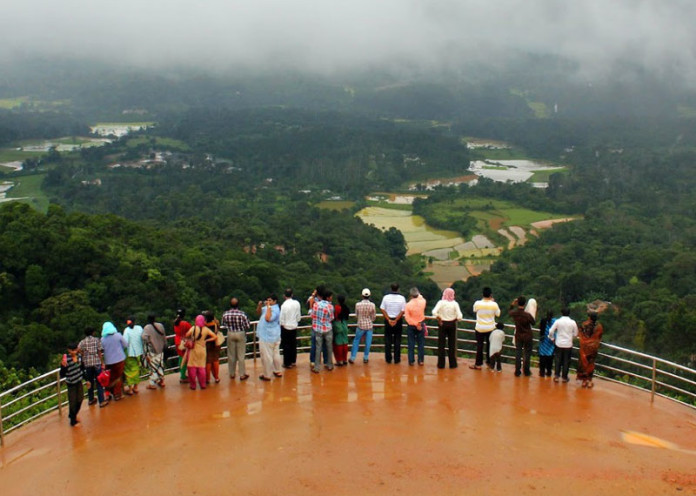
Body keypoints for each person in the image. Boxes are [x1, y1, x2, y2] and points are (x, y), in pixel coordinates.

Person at [432, 287, 463, 369]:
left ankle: (441, 364)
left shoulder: (441, 302)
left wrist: (439, 319)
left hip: (442, 324)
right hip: (452, 324)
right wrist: (455, 319)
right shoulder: (455, 304)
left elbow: (434, 312)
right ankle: (452, 364)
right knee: (452, 345)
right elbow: (460, 316)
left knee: (441, 345)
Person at [60, 342, 90, 427]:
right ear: (69, 350)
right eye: (72, 350)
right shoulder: (66, 360)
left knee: (80, 399)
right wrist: (63, 367)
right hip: (71, 384)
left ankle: (73, 415)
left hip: (79, 381)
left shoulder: (79, 358)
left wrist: (87, 380)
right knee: (73, 402)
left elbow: (82, 369)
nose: (74, 352)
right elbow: (62, 374)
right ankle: (73, 421)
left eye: (75, 350)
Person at [222, 297, 251, 381]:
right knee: (241, 355)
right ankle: (242, 374)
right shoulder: (242, 314)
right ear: (238, 305)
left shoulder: (225, 314)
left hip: (230, 333)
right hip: (240, 333)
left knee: (231, 355)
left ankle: (232, 373)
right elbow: (247, 325)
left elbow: (224, 324)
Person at [471, 287, 501, 370]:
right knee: (489, 346)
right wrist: (493, 302)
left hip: (479, 328)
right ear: (491, 295)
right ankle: (489, 363)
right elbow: (498, 314)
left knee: (479, 346)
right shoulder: (494, 304)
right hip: (490, 328)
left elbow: (474, 310)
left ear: (482, 294)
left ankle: (478, 364)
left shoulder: (477, 303)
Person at [185, 315, 217, 390]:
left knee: (192, 367)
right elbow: (215, 337)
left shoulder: (193, 328)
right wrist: (206, 340)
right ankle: (202, 384)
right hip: (202, 349)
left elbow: (187, 335)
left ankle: (193, 385)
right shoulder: (206, 329)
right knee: (201, 367)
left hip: (194, 349)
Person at [548, 308, 578, 383]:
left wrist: (552, 338)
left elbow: (551, 331)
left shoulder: (558, 321)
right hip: (568, 344)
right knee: (566, 361)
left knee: (558, 360)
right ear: (569, 313)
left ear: (562, 313)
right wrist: (571, 338)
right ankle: (564, 377)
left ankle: (556, 376)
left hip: (559, 344)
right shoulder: (573, 322)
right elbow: (576, 333)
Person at [78, 327, 106, 407]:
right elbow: (99, 352)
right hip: (96, 362)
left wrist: (83, 354)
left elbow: (78, 349)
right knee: (99, 382)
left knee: (89, 382)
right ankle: (101, 401)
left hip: (87, 364)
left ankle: (91, 399)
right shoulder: (96, 340)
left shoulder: (82, 342)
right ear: (93, 333)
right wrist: (102, 362)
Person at [256, 294, 282, 381]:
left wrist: (268, 307)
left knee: (266, 356)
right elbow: (258, 313)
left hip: (268, 336)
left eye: (270, 300)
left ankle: (267, 375)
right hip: (272, 335)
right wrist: (260, 305)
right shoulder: (268, 308)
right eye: (267, 300)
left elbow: (268, 318)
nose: (268, 302)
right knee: (275, 354)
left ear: (275, 301)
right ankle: (277, 370)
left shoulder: (275, 310)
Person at [508, 296, 536, 377]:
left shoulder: (515, 313)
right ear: (525, 304)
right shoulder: (527, 315)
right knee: (527, 353)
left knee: (518, 353)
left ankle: (517, 371)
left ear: (518, 303)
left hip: (519, 335)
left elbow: (509, 312)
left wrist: (512, 304)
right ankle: (526, 371)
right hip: (527, 335)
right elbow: (533, 322)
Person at [309, 286, 334, 373]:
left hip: (317, 329)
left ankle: (316, 367)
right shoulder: (330, 306)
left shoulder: (315, 305)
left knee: (318, 348)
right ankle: (329, 365)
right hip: (327, 329)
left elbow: (312, 315)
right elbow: (331, 318)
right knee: (329, 347)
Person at [380, 283, 406, 364]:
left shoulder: (386, 297)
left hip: (388, 320)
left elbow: (382, 309)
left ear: (391, 289)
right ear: (398, 289)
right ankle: (397, 359)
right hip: (398, 321)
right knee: (397, 340)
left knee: (388, 340)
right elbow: (403, 310)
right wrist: (396, 320)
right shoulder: (402, 298)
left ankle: (388, 359)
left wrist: (388, 319)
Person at [101, 321, 127, 401]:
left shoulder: (102, 339)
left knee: (110, 377)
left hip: (108, 361)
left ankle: (108, 393)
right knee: (118, 377)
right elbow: (126, 344)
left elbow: (101, 350)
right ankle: (117, 394)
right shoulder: (118, 336)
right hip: (120, 359)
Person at [577, 312, 604, 388]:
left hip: (584, 348)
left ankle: (584, 381)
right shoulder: (599, 327)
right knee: (591, 364)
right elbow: (599, 336)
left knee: (584, 363)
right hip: (593, 348)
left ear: (589, 317)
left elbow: (580, 333)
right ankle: (589, 380)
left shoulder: (584, 324)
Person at [350, 288, 376, 364]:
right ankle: (365, 357)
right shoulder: (372, 305)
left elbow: (356, 315)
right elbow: (374, 317)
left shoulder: (358, 305)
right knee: (368, 343)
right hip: (369, 326)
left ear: (362, 295)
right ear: (369, 295)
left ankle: (352, 357)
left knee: (356, 341)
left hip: (360, 326)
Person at [279, 288, 301, 369]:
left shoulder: (283, 305)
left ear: (284, 296)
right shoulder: (297, 303)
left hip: (286, 327)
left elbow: (281, 318)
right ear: (292, 295)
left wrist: (282, 325)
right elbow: (298, 316)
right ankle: (293, 361)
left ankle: (287, 363)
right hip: (294, 326)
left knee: (286, 345)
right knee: (293, 344)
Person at [404, 287, 426, 366]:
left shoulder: (408, 305)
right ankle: (420, 360)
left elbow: (407, 317)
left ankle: (411, 360)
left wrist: (415, 324)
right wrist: (418, 324)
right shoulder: (423, 302)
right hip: (421, 324)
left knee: (411, 343)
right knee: (421, 344)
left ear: (410, 295)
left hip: (411, 326)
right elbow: (421, 297)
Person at [123, 317, 144, 395]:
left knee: (129, 371)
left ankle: (130, 389)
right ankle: (136, 387)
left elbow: (125, 343)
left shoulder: (126, 330)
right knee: (137, 370)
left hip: (130, 353)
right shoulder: (139, 328)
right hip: (139, 352)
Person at [173, 309, 192, 383]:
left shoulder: (175, 322)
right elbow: (191, 331)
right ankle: (183, 376)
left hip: (178, 342)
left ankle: (182, 374)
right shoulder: (185, 323)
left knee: (181, 357)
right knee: (185, 358)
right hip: (184, 342)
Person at [203, 310, 222, 384]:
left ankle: (207, 378)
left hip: (207, 344)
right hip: (216, 344)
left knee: (208, 361)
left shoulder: (205, 326)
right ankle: (216, 377)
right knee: (215, 360)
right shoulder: (215, 324)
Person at [332, 294, 350, 366]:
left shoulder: (336, 307)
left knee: (338, 344)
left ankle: (339, 361)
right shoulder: (346, 308)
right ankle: (345, 359)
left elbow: (334, 316)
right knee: (345, 343)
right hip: (345, 324)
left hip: (338, 325)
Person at [537, 310, 556, 377]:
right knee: (550, 357)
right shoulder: (554, 321)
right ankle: (549, 371)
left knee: (542, 357)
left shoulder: (543, 320)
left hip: (543, 341)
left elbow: (540, 328)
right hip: (551, 342)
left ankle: (542, 372)